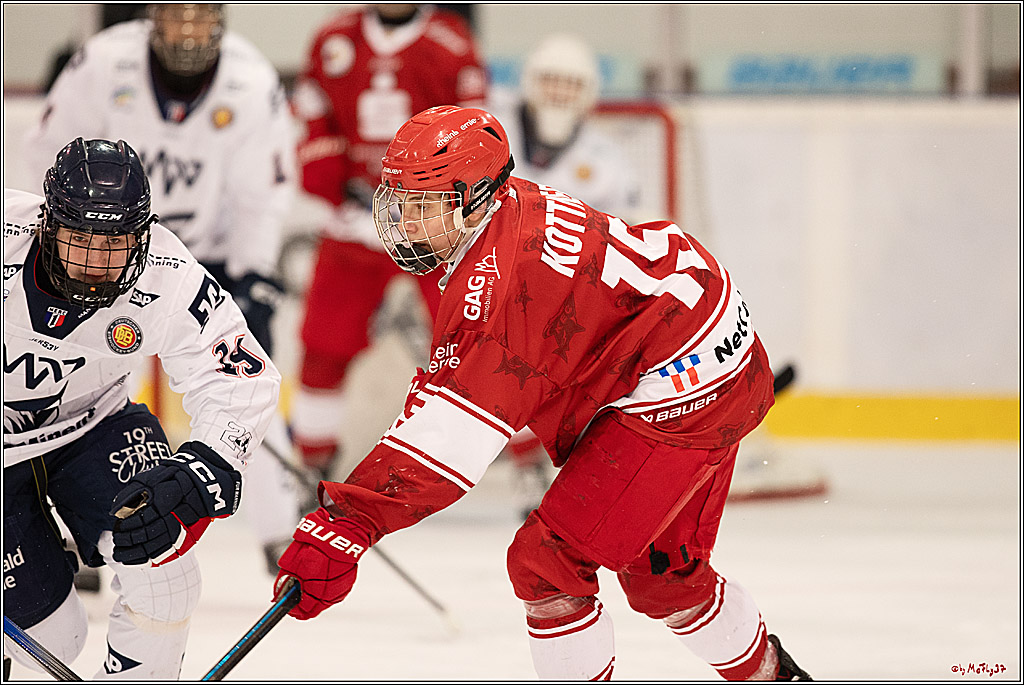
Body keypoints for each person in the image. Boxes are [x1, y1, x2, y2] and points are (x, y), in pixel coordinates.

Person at [272, 106, 812, 681]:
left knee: (547, 564)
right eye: (401, 199)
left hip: (683, 381)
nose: (405, 220)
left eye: (423, 204)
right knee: (666, 578)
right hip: (706, 341)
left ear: (473, 199)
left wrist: (347, 525)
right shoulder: (507, 208)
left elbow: (449, 442)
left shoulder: (499, 285)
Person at [22, 3, 302, 573]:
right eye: (177, 15)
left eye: (202, 16)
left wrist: (254, 275)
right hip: (99, 251)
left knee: (242, 378)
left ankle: (282, 533)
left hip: (206, 259)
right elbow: (47, 153)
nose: (188, 30)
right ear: (153, 17)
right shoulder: (104, 61)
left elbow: (262, 194)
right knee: (81, 386)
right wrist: (50, 245)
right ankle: (81, 531)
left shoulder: (251, 81)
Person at [3, 138, 280, 678]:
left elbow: (241, 377)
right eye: (79, 239)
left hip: (92, 426)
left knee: (164, 571)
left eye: (115, 242)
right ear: (46, 224)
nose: (95, 263)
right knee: (51, 642)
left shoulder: (167, 272)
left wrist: (207, 463)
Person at [288, 3, 488, 482]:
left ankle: (523, 466)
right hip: (354, 223)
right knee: (323, 349)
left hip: (435, 228)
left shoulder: (451, 44)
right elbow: (310, 125)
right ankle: (312, 467)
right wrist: (336, 190)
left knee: (483, 341)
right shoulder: (334, 40)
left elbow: (476, 135)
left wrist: (437, 200)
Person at [488, 33, 645, 518]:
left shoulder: (608, 163)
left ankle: (569, 465)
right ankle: (526, 464)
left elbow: (626, 243)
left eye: (571, 83)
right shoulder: (489, 133)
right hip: (491, 284)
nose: (559, 92)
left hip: (569, 297)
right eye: (550, 79)